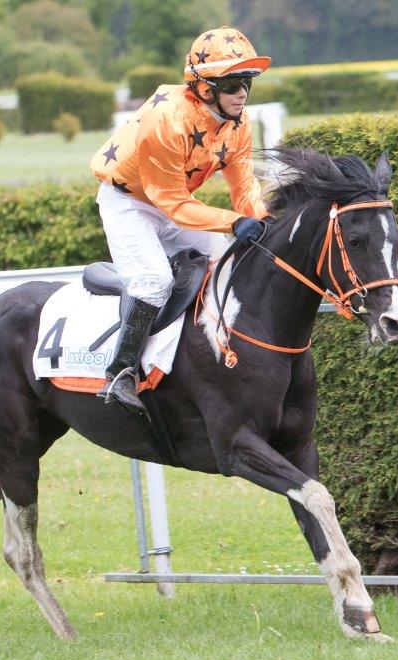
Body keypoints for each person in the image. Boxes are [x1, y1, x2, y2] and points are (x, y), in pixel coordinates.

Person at [89, 26, 272, 415]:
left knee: (224, 262)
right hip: (129, 203)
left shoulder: (238, 123)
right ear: (205, 88)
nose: (242, 94)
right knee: (155, 281)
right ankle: (120, 373)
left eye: (247, 84)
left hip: (172, 201)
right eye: (232, 85)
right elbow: (171, 202)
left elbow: (244, 187)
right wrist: (233, 222)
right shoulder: (167, 119)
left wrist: (263, 220)